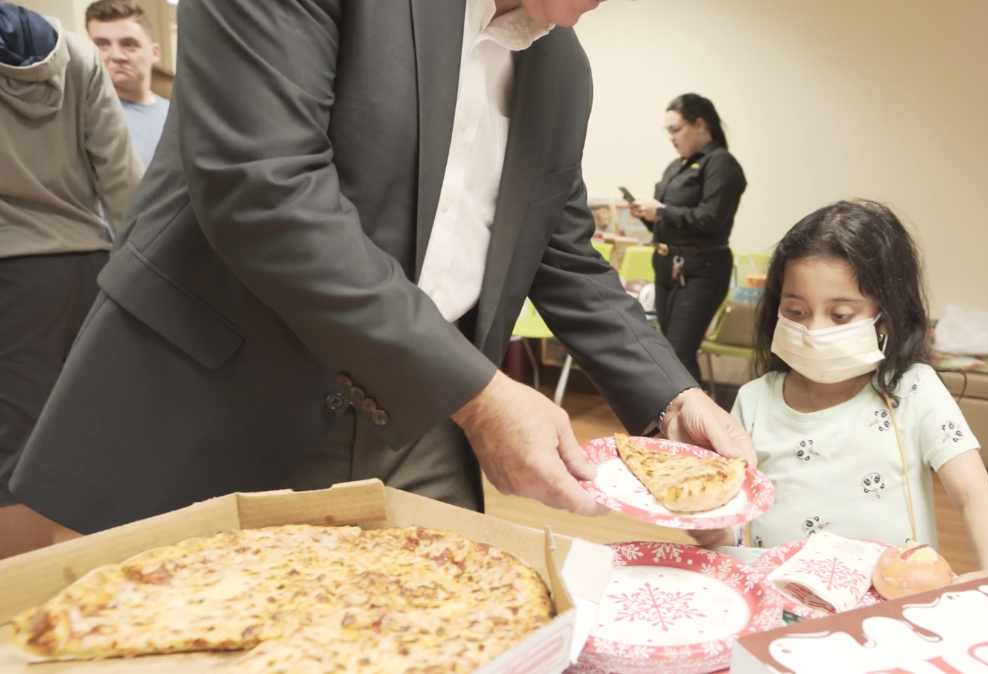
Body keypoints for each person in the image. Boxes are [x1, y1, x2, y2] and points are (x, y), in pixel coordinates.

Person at [10, 0, 754, 536]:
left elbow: (559, 248)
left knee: (429, 629)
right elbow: (264, 190)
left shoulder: (562, 69)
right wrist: (480, 394)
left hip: (426, 423)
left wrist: (671, 394)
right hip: (223, 389)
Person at [694, 200, 988, 583]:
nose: (814, 330)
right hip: (778, 600)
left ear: (886, 316)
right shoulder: (753, 400)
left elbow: (974, 495)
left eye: (840, 315)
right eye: (796, 311)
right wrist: (715, 531)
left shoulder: (912, 390)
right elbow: (734, 522)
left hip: (885, 606)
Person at [0, 2, 141, 557]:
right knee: (89, 433)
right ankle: (101, 577)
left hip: (12, 271)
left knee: (11, 451)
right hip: (90, 267)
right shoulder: (79, 53)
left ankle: (21, 610)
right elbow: (124, 178)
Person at [629, 94, 747, 382]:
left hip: (701, 269)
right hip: (668, 264)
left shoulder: (721, 164)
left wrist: (663, 211)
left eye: (675, 129)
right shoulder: (676, 166)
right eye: (667, 130)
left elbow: (711, 218)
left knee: (680, 353)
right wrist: (650, 217)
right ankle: (675, 422)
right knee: (668, 351)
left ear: (699, 124)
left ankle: (698, 424)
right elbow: (671, 223)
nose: (670, 137)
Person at [85, 0, 168, 169]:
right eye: (102, 44)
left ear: (154, 53)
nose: (116, 55)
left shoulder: (177, 115)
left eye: (129, 44)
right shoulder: (83, 117)